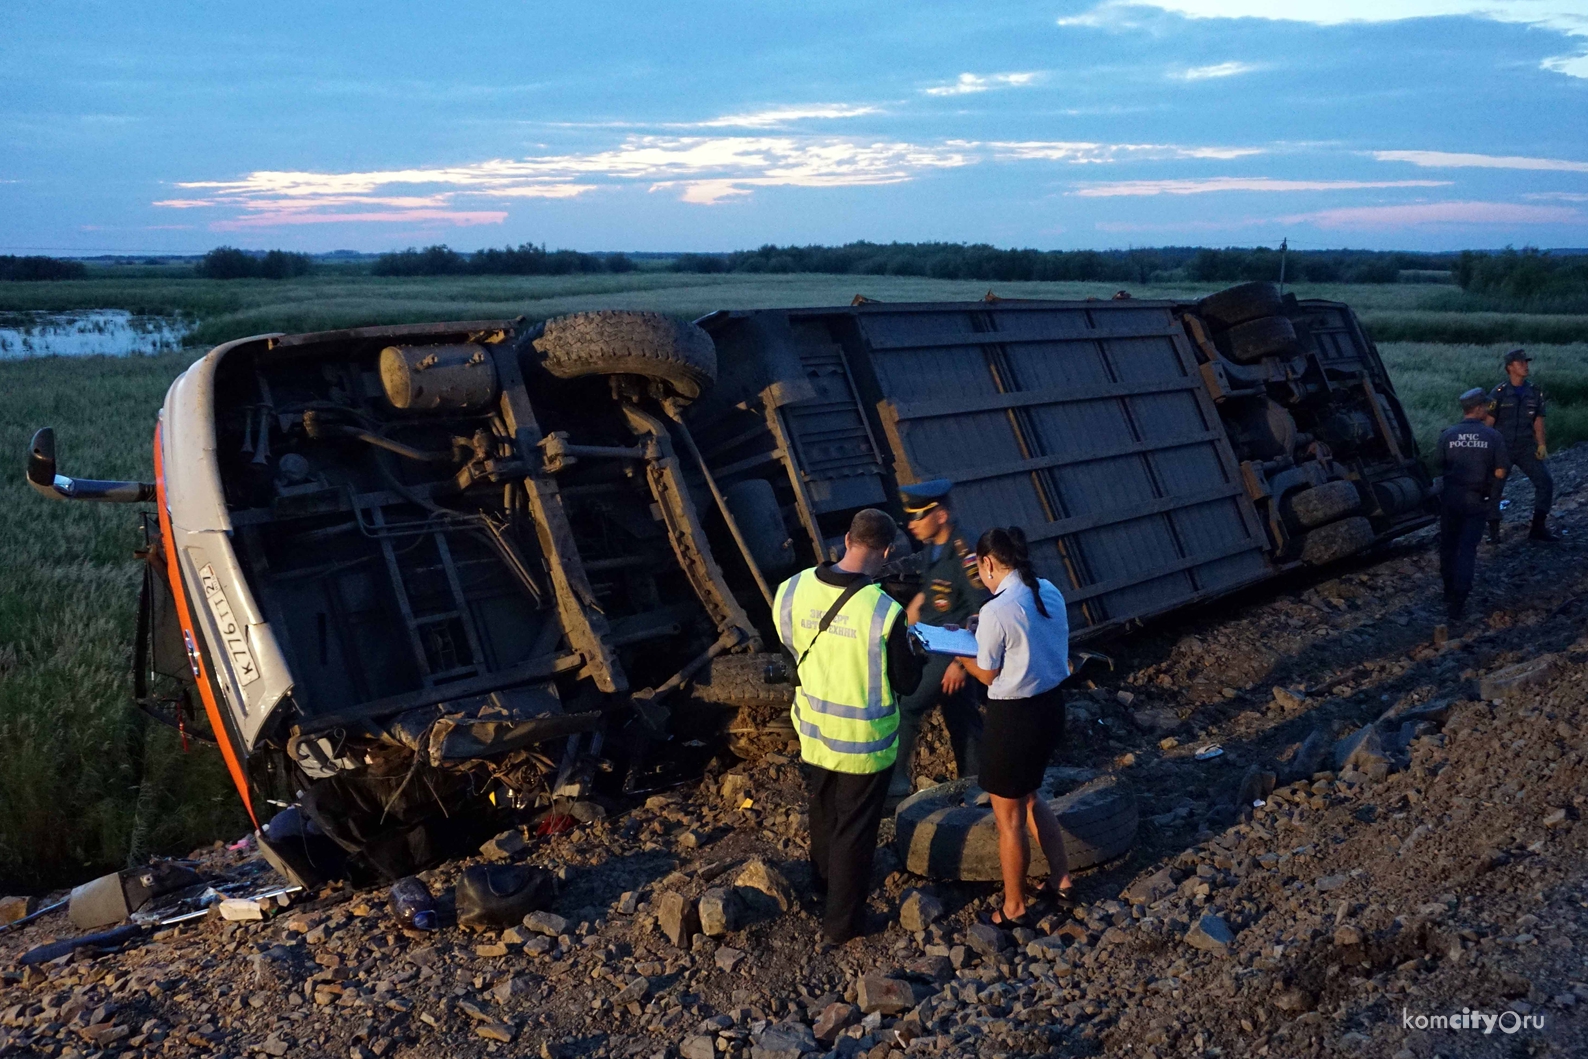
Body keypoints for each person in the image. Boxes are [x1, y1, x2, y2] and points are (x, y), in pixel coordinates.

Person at [774, 508, 923, 947]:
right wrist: (917, 654)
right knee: (856, 829)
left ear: (846, 539)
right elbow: (907, 682)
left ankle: (822, 886)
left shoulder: (792, 588)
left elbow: (788, 650)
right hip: (863, 743)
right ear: (888, 550)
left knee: (823, 810)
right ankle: (842, 923)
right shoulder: (883, 611)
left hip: (814, 729)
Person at [954, 526, 1073, 928]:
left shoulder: (996, 611)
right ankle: (1062, 878)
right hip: (1051, 708)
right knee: (1031, 798)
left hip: (1014, 719)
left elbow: (987, 674)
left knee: (1008, 819)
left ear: (987, 562)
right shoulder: (1048, 590)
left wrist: (957, 648)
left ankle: (1014, 907)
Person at [890, 478, 989, 800]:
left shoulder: (965, 552)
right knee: (961, 715)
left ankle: (894, 786)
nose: (911, 524)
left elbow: (982, 612)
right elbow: (927, 598)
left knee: (908, 706)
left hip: (951, 650)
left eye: (918, 516)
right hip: (930, 642)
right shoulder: (933, 549)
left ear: (941, 515)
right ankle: (976, 785)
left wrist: (962, 664)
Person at [1440, 388, 1509, 621]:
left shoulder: (1447, 435)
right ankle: (1459, 599)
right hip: (1476, 499)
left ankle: (1448, 591)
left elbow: (1441, 466)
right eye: (1486, 406)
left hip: (1450, 499)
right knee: (1467, 549)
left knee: (1448, 546)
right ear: (1478, 408)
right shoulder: (1493, 437)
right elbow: (1500, 471)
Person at [1485, 348, 1557, 543]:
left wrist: (1541, 444)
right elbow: (1488, 423)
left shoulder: (1534, 392)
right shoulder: (1498, 393)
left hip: (1526, 447)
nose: (1525, 366)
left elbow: (1538, 421)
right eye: (1520, 363)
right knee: (1494, 488)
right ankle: (1493, 533)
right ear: (1510, 367)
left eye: (1526, 362)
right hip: (1502, 449)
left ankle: (1538, 528)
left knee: (1545, 482)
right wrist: (1486, 450)